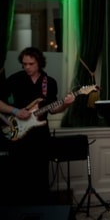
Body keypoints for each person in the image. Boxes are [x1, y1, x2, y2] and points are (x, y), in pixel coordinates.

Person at [0, 47, 76, 204]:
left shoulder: (49, 82)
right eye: (24, 64)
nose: (27, 67)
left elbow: (53, 109)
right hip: (19, 135)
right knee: (18, 177)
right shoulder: (15, 79)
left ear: (39, 63)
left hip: (40, 136)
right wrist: (15, 110)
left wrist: (66, 105)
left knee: (40, 176)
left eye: (31, 64)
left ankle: (39, 213)